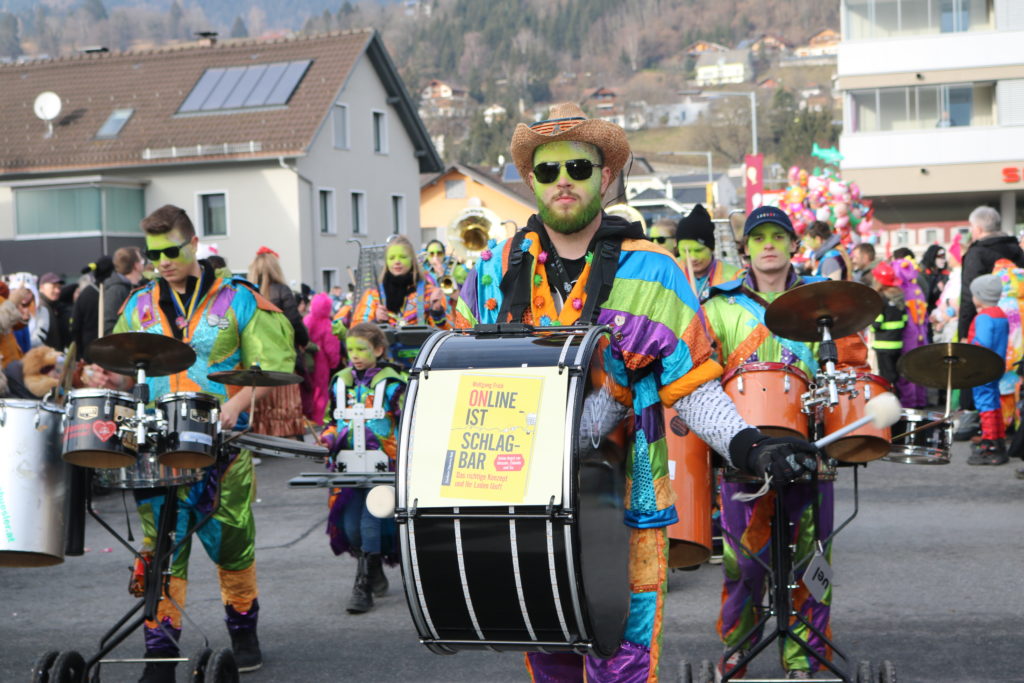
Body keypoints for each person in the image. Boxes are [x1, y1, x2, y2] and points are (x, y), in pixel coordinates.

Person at [454, 102, 821, 681]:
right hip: (521, 502)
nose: (564, 181)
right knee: (549, 661)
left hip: (627, 504)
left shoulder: (655, 271)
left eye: (578, 167)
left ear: (605, 177)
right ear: (531, 181)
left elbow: (693, 386)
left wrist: (752, 446)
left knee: (620, 664)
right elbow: (461, 383)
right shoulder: (493, 272)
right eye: (548, 170)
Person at [85, 204, 295, 681]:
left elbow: (272, 365)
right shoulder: (138, 304)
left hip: (222, 445)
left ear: (194, 244)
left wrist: (237, 403)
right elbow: (124, 368)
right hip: (155, 446)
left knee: (232, 542)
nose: (162, 262)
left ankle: (243, 630)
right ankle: (160, 652)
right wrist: (108, 378)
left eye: (171, 251)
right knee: (161, 547)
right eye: (154, 254)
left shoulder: (239, 298)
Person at [702, 206, 837, 680]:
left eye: (778, 236)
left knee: (812, 560)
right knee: (744, 564)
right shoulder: (718, 307)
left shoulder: (826, 302)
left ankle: (803, 658)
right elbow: (701, 373)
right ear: (745, 249)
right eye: (758, 238)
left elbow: (850, 370)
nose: (769, 246)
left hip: (811, 450)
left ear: (794, 245)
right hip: (743, 455)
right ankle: (738, 649)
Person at [319, 322, 405, 614]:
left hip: (384, 465)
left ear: (379, 350)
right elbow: (331, 421)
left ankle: (363, 585)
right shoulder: (339, 382)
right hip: (348, 466)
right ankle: (374, 567)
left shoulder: (394, 384)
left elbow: (408, 421)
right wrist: (327, 439)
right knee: (351, 529)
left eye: (361, 349)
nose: (354, 355)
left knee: (370, 522)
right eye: (350, 349)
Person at [957, 206, 1024, 437]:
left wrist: (963, 332)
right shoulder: (1016, 250)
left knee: (985, 374)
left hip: (989, 320)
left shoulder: (977, 253)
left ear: (977, 228)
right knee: (1014, 372)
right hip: (1019, 323)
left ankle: (987, 429)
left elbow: (968, 296)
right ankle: (1014, 421)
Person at [247, 246, 309, 439]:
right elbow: (294, 322)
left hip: (255, 359)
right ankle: (286, 439)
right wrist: (304, 341)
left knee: (261, 407)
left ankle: (262, 440)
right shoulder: (282, 291)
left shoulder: (246, 293)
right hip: (282, 360)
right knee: (285, 405)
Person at [352, 235, 449, 329]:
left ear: (412, 260)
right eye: (392, 258)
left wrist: (437, 312)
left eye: (402, 257)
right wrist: (375, 321)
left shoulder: (430, 293)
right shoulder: (373, 295)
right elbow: (357, 332)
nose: (397, 261)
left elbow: (447, 332)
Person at [964, 274, 1009, 465]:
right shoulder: (1000, 314)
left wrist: (967, 348)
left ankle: (989, 444)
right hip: (997, 365)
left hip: (982, 367)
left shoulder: (984, 317)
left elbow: (982, 344)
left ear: (980, 296)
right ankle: (999, 439)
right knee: (994, 401)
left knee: (985, 403)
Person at [675, 203, 742, 301]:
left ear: (711, 248)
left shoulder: (734, 277)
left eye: (698, 250)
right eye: (685, 251)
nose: (692, 258)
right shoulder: (669, 273)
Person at [302, 292, 342, 426]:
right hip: (321, 362)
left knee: (307, 389)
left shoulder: (306, 320)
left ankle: (306, 418)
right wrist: (334, 362)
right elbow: (332, 348)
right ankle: (317, 419)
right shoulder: (327, 325)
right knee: (320, 391)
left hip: (306, 360)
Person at [869, 261, 907, 393]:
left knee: (885, 378)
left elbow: (876, 324)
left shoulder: (880, 298)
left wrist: (870, 327)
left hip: (883, 346)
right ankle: (897, 398)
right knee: (895, 377)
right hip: (897, 344)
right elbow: (904, 321)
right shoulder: (899, 297)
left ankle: (889, 400)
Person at [70, 255, 114, 354]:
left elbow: (75, 326)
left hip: (89, 349)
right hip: (105, 348)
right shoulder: (113, 292)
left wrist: (79, 352)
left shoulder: (85, 294)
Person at [102, 247, 146, 336]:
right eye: (141, 260)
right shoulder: (116, 290)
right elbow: (109, 325)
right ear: (136, 265)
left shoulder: (138, 287)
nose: (143, 263)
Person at [38, 272, 71, 349]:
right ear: (42, 287)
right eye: (53, 287)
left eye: (59, 287)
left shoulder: (52, 306)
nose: (57, 291)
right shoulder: (40, 307)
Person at [919, 244, 950, 315]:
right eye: (940, 257)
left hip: (940, 311)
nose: (943, 260)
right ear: (932, 257)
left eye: (944, 257)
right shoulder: (922, 273)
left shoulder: (945, 274)